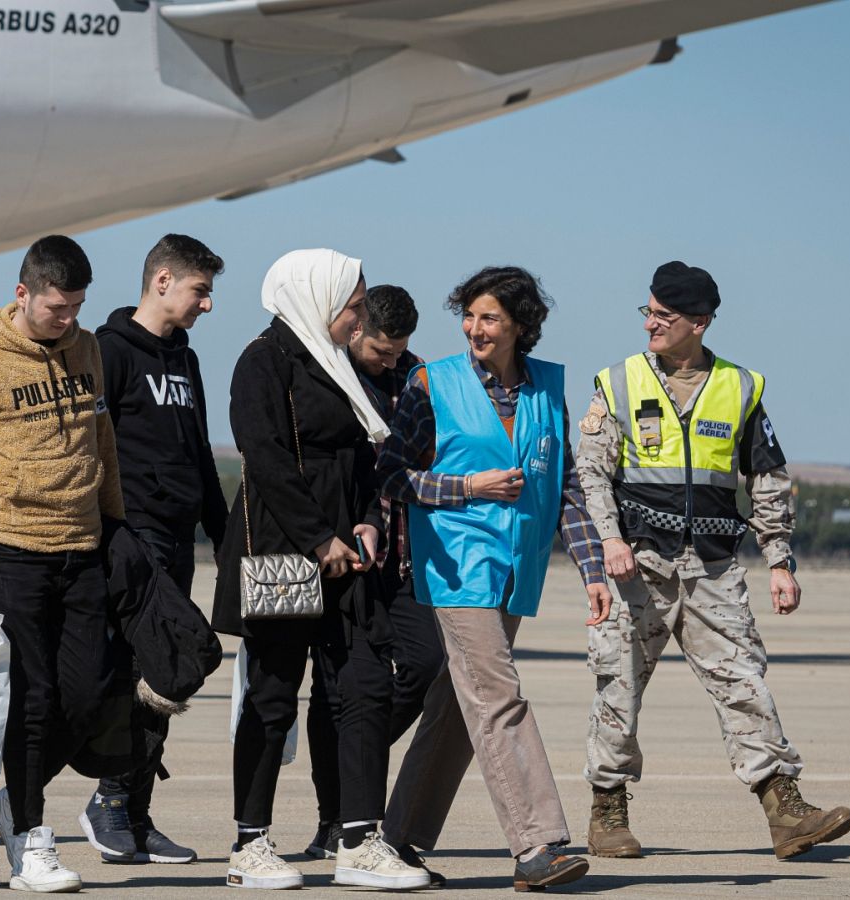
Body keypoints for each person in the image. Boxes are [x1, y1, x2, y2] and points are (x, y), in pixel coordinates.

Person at [576, 261, 850, 860]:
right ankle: (608, 812)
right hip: (638, 569)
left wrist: (779, 560)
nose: (650, 324)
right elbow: (591, 472)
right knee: (618, 687)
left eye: (664, 316)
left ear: (699, 323)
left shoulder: (741, 387)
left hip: (713, 570)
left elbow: (768, 479)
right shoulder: (619, 382)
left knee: (743, 683)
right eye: (648, 312)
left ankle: (786, 811)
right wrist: (610, 540)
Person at [378, 266, 611, 892]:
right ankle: (537, 844)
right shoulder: (432, 383)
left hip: (515, 571)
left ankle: (394, 841)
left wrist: (591, 568)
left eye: (489, 318)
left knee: (460, 706)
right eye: (469, 316)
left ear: (519, 326)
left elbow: (563, 485)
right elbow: (391, 474)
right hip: (456, 567)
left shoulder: (546, 389)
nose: (474, 329)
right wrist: (466, 487)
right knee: (499, 695)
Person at [213, 249, 431, 891]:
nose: (360, 318)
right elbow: (265, 458)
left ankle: (358, 839)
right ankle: (250, 844)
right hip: (283, 550)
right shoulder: (263, 361)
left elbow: (365, 457)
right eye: (353, 305)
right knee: (273, 695)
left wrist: (365, 521)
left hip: (348, 554)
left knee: (364, 687)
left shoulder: (338, 364)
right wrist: (317, 538)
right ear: (318, 298)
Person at [0, 234, 125, 893]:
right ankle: (32, 844)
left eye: (77, 307)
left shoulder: (87, 349)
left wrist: (117, 528)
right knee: (34, 698)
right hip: (11, 550)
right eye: (56, 308)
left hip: (83, 547)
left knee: (91, 692)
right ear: (23, 294)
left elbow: (102, 442)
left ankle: (15, 798)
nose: (67, 319)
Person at [82, 234, 229, 866]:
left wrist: (226, 535)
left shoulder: (185, 359)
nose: (207, 304)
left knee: (166, 674)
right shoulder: (109, 351)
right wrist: (108, 534)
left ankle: (136, 813)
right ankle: (110, 800)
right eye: (201, 290)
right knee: (157, 664)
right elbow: (89, 449)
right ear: (163, 281)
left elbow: (199, 452)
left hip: (177, 540)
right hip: (130, 539)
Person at [295, 285, 449, 877]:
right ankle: (334, 819)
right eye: (383, 351)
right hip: (340, 554)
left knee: (425, 661)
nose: (391, 361)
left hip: (404, 556)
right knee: (332, 689)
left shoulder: (418, 377)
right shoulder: (329, 370)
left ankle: (353, 764)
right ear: (355, 329)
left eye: (399, 352)